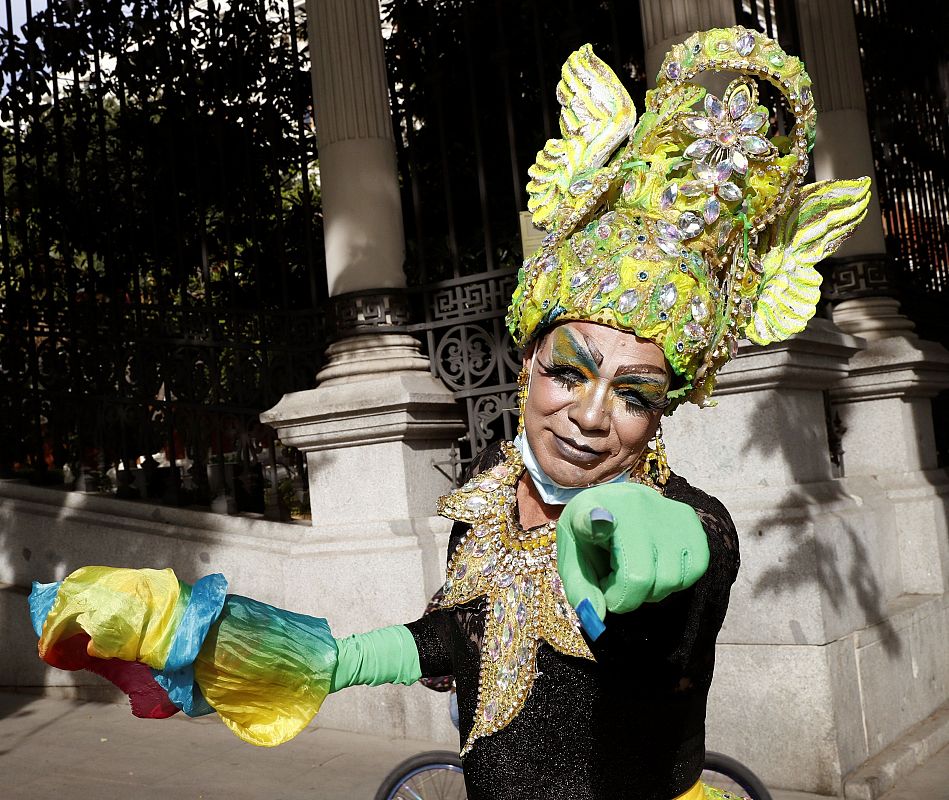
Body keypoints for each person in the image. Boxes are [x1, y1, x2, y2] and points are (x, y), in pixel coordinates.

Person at [28, 25, 871, 800]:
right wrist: (266, 652)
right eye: (568, 374)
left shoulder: (691, 523)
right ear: (526, 367)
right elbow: (455, 637)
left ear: (661, 416)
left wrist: (629, 527)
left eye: (634, 396)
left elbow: (675, 575)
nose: (588, 414)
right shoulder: (482, 513)